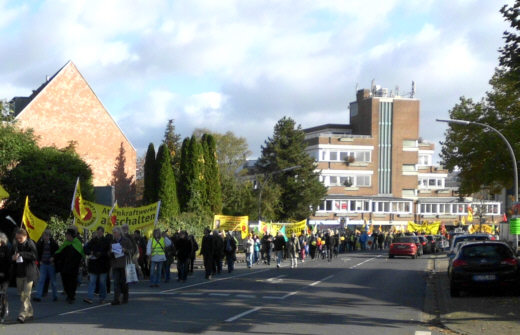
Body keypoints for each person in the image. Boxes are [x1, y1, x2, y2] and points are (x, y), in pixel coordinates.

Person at [11, 228, 38, 323]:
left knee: (26, 294)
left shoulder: (30, 243)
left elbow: (34, 256)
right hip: (19, 273)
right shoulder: (15, 244)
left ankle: (22, 314)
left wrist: (21, 254)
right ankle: (30, 312)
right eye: (17, 238)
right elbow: (11, 255)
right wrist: (13, 257)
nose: (18, 240)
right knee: (22, 294)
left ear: (25, 236)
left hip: (29, 273)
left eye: (20, 238)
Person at [55, 228, 84, 304]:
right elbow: (60, 252)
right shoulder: (66, 243)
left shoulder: (77, 243)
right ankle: (68, 294)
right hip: (65, 267)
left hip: (73, 267)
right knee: (65, 281)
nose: (66, 237)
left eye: (67, 235)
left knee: (72, 282)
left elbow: (80, 254)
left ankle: (71, 296)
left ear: (71, 235)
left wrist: (76, 264)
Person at [83, 226, 110, 304]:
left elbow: (108, 253)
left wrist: (100, 254)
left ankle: (102, 298)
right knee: (92, 281)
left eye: (101, 232)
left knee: (102, 282)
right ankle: (90, 297)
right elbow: (85, 249)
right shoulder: (93, 241)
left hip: (103, 264)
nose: (99, 233)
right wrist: (91, 252)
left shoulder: (106, 241)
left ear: (103, 232)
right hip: (94, 265)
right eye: (98, 232)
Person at [110, 227, 135, 305]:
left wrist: (126, 250)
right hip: (115, 264)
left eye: (115, 232)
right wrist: (110, 252)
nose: (114, 234)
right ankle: (116, 299)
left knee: (124, 282)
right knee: (116, 282)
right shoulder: (112, 241)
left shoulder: (126, 240)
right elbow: (109, 253)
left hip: (124, 264)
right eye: (113, 232)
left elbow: (133, 250)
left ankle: (125, 297)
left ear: (119, 233)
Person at [34, 230, 59, 302]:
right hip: (43, 264)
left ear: (49, 236)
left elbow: (57, 252)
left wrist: (53, 258)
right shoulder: (41, 244)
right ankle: (38, 296)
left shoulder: (53, 244)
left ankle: (55, 296)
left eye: (46, 236)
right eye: (44, 236)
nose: (44, 237)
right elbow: (37, 253)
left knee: (53, 281)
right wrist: (39, 261)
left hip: (51, 264)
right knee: (41, 280)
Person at [0, 232, 11, 323]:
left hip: (4, 276)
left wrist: (3, 272)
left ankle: (4, 311)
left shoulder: (6, 249)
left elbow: (8, 263)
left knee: (3, 293)